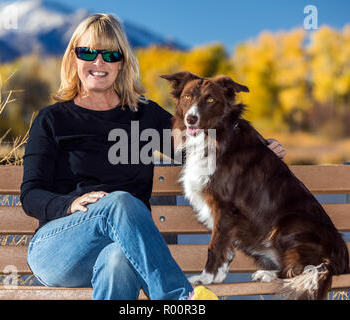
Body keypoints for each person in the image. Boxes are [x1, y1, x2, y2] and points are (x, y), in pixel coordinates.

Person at [20, 13, 286, 300]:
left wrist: (259, 153)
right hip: (59, 250)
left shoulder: (143, 115)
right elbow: (31, 194)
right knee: (119, 201)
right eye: (87, 52)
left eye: (110, 54)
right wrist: (71, 203)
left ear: (122, 63)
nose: (99, 63)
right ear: (73, 58)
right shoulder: (52, 120)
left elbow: (202, 150)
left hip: (123, 248)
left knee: (118, 262)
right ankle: (179, 300)